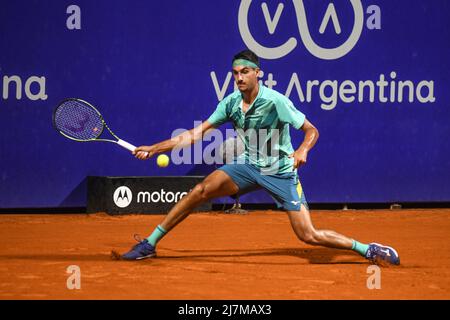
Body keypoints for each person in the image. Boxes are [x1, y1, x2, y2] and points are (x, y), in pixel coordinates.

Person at [119, 49, 400, 266]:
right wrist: (155, 148)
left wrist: (302, 150)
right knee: (200, 190)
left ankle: (367, 249)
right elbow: (194, 134)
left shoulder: (276, 101)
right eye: (235, 73)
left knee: (308, 235)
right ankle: (150, 243)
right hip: (249, 166)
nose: (239, 77)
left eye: (245, 72)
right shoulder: (230, 103)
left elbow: (312, 130)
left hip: (280, 172)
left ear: (258, 73)